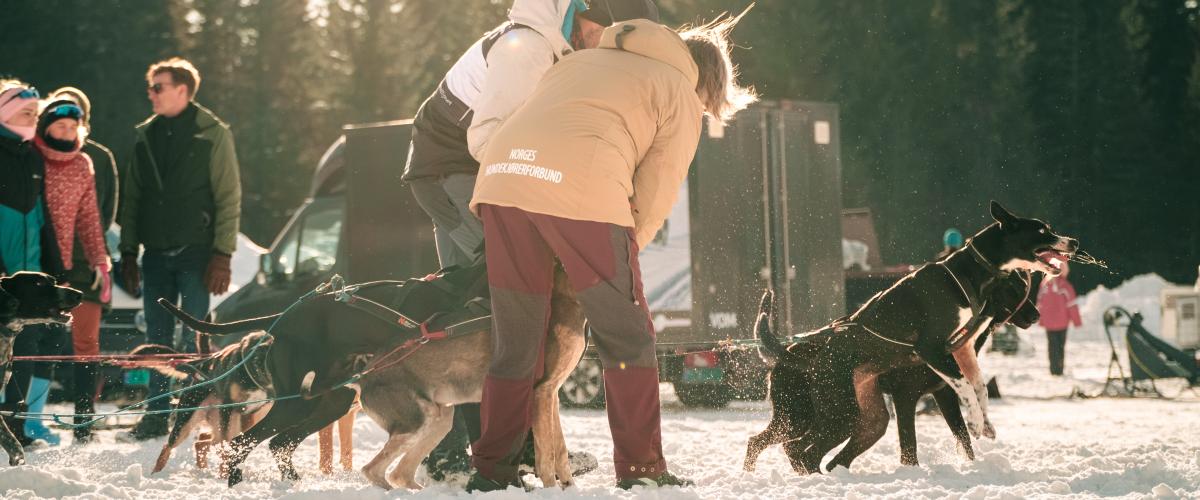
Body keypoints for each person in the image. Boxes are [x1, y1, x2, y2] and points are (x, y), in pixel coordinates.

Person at [466, 14, 756, 490]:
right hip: (582, 189)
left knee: (516, 339)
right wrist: (624, 257)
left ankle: (490, 471)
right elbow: (657, 191)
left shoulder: (583, 61)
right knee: (627, 336)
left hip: (502, 181)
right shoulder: (677, 89)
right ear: (707, 79)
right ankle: (642, 470)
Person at [404, 0, 659, 478]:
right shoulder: (527, 48)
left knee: (500, 305)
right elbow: (489, 140)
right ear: (586, 12)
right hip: (453, 171)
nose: (605, 46)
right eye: (605, 33)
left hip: (484, 171)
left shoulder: (562, 49)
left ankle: (507, 446)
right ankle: (465, 452)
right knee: (492, 299)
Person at [118, 58, 242, 440]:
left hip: (197, 253)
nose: (151, 93)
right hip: (154, 253)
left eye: (158, 87)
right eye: (150, 87)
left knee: (194, 339)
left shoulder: (213, 133)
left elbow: (228, 195)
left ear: (182, 90)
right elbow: (133, 196)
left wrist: (222, 253)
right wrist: (127, 250)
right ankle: (155, 417)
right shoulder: (146, 135)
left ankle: (190, 413)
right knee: (155, 336)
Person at [32, 98, 115, 444]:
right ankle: (25, 415)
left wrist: (101, 261)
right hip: (34, 260)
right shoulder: (30, 157)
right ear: (46, 126)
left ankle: (83, 421)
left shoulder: (83, 163)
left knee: (75, 342)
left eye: (73, 127)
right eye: (60, 125)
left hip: (72, 265)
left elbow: (89, 219)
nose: (67, 132)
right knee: (34, 341)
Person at [0, 81, 67, 446]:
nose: (34, 119)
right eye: (26, 112)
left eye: (35, 114)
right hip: (4, 277)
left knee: (24, 349)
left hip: (28, 272)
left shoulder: (32, 156)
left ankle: (17, 427)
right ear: (6, 112)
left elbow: (43, 217)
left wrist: (56, 266)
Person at [1037, 261, 1081, 376]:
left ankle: (1053, 369)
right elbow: (1072, 305)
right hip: (1062, 323)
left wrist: (1042, 321)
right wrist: (1077, 321)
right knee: (1060, 346)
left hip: (1049, 324)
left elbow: (1040, 303)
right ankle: (1059, 369)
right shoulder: (1065, 286)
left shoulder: (1044, 284)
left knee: (1051, 346)